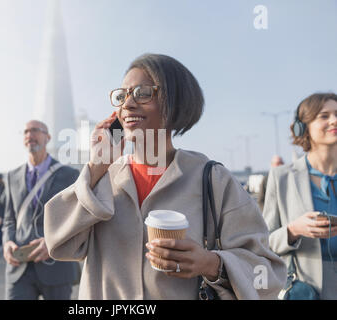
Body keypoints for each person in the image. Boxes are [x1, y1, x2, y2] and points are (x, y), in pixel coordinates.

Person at [44, 53, 286, 300]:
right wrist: (96, 168)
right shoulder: (102, 178)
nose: (127, 104)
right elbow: (58, 243)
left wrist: (211, 264)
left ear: (175, 102)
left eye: (142, 93)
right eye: (122, 96)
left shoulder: (213, 179)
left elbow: (269, 275)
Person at [263, 92, 337, 299]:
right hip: (306, 289)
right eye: (324, 116)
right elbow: (262, 243)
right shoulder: (281, 177)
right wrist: (293, 230)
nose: (334, 120)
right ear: (302, 127)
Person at [2, 120, 80, 300]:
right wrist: (7, 242)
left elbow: (76, 220)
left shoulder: (69, 175)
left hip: (56, 265)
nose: (30, 135)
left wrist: (52, 242)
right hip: (19, 267)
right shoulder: (11, 176)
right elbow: (9, 220)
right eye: (26, 131)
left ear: (48, 138)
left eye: (36, 130)